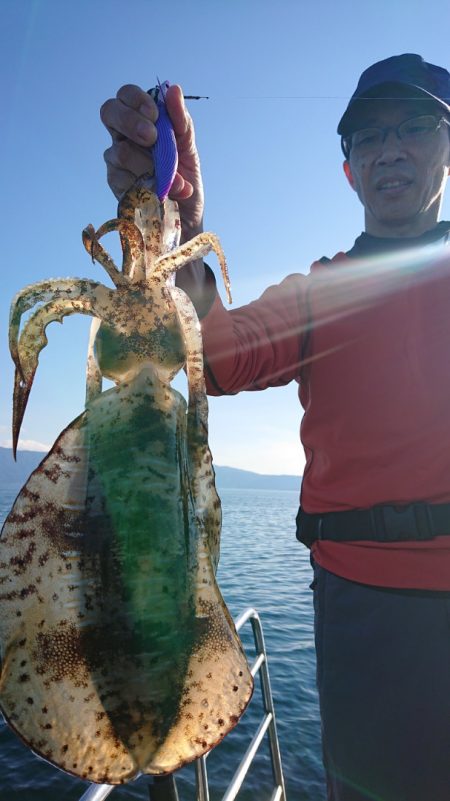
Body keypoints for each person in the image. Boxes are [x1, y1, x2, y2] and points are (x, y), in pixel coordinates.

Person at [100, 53, 450, 801]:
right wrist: (181, 232)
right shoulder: (321, 294)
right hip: (366, 611)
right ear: (349, 170)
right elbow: (217, 356)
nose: (390, 149)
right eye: (367, 137)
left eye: (416, 127)